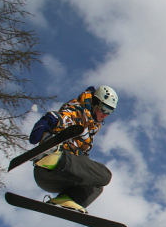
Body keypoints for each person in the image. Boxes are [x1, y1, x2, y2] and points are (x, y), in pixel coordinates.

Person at [28, 85, 118, 214]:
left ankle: (67, 199)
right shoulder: (79, 112)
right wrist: (47, 122)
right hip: (51, 168)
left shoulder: (91, 126)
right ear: (95, 103)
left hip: (53, 182)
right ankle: (51, 157)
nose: (105, 114)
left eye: (110, 112)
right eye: (104, 109)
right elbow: (63, 117)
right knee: (105, 175)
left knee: (97, 185)